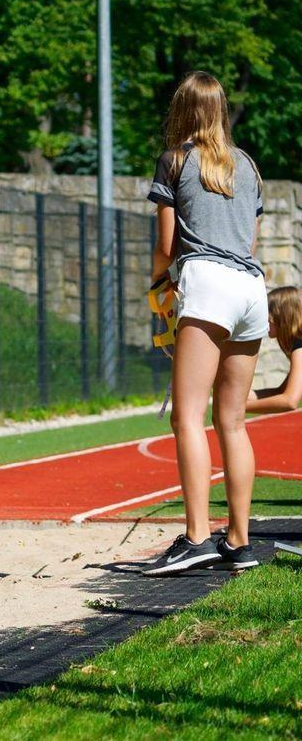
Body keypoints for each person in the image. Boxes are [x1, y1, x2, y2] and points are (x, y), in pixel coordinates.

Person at [143, 71, 267, 576]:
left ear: (182, 108)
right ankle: (239, 541)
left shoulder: (175, 160)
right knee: (232, 421)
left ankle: (197, 537)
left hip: (208, 283)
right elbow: (250, 242)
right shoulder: (248, 165)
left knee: (188, 417)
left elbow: (166, 247)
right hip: (251, 288)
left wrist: (157, 283)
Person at [246, 286, 302, 414]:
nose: (264, 321)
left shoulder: (300, 349)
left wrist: (237, 409)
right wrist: (236, 396)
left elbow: (290, 400)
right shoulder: (297, 345)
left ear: (281, 317)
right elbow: (281, 391)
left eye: (267, 315)